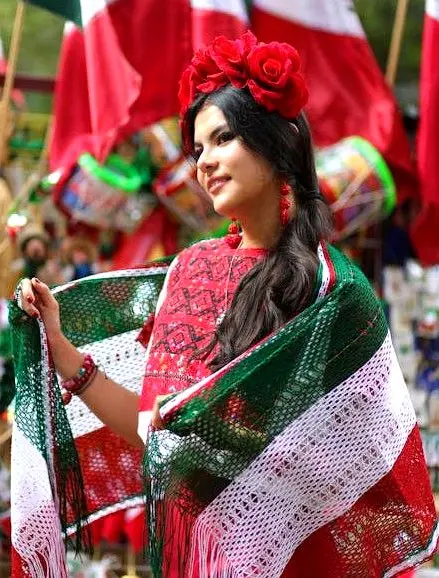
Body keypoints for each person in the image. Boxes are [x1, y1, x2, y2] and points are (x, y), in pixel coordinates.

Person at [15, 32, 437, 578]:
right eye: (197, 150)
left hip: (307, 558)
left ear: (274, 144)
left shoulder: (335, 290)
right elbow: (155, 435)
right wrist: (63, 351)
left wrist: (237, 448)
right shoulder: (193, 271)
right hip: (204, 558)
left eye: (222, 140)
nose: (204, 164)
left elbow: (368, 466)